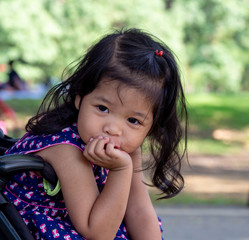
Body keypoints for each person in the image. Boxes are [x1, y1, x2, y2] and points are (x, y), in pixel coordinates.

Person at [2, 28, 188, 239]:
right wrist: (121, 170)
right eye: (102, 108)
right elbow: (97, 233)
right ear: (80, 96)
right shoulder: (65, 148)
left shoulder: (126, 147)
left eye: (133, 121)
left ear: (151, 126)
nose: (113, 128)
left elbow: (139, 212)